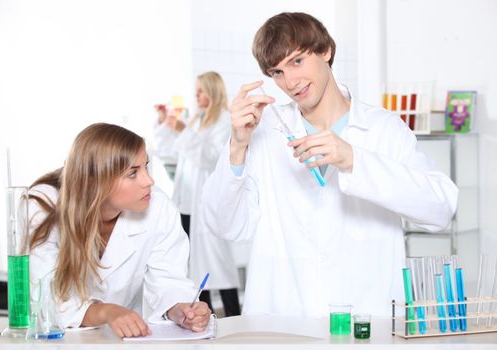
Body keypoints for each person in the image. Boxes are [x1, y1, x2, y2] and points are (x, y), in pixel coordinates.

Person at [201, 12, 459, 318]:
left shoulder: (383, 129)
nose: (291, 82)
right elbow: (224, 224)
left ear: (326, 50)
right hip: (284, 319)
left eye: (297, 61)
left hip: (367, 319)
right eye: (277, 72)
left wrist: (354, 160)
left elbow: (441, 209)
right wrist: (238, 146)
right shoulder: (264, 131)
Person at [28, 123, 211, 338]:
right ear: (95, 181)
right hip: (57, 339)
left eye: (146, 166)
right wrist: (106, 312)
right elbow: (46, 293)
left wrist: (180, 309)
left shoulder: (158, 206)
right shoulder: (42, 205)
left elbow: (167, 278)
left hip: (123, 339)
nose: (149, 181)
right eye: (133, 173)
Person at [158, 71, 241, 317]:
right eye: (195, 92)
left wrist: (184, 131)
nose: (196, 96)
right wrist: (167, 125)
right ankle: (205, 320)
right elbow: (172, 153)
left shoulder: (224, 120)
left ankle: (234, 318)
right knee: (195, 267)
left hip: (207, 204)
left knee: (218, 265)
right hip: (187, 203)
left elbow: (212, 158)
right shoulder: (197, 120)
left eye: (201, 91)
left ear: (213, 91)